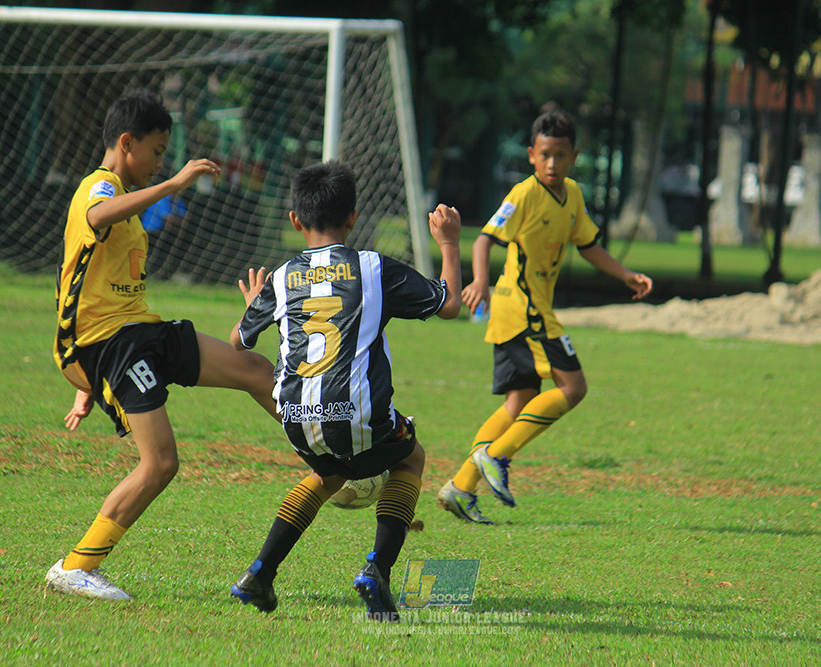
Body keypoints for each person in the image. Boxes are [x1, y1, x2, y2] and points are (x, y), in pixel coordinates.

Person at [44, 89, 280, 601]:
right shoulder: (99, 186)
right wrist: (173, 185)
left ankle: (328, 454)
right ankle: (76, 566)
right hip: (113, 345)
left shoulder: (123, 198)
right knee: (161, 463)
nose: (160, 163)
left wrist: (88, 381)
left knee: (257, 370)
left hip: (138, 334)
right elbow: (98, 216)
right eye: (156, 151)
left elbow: (84, 278)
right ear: (127, 142)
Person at [227, 161, 462, 622]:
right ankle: (377, 571)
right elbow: (450, 303)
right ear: (353, 216)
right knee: (410, 459)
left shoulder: (280, 276)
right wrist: (449, 244)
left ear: (295, 220)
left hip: (295, 417)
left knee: (328, 474)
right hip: (355, 412)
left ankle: (259, 573)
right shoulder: (372, 267)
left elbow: (238, 341)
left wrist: (256, 305)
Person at [437, 110, 653, 525]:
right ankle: (496, 456)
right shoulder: (524, 194)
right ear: (532, 155)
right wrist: (480, 281)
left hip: (526, 311)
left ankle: (461, 487)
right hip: (523, 310)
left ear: (574, 157)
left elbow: (588, 245)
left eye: (561, 155)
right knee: (573, 387)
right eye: (545, 155)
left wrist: (625, 274)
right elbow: (484, 240)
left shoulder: (572, 194)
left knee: (518, 403)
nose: (552, 163)